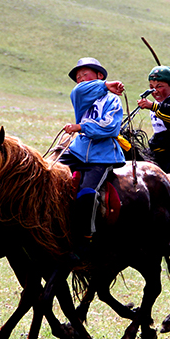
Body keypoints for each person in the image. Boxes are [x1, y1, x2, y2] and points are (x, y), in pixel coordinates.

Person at [59, 57, 125, 257]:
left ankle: (85, 239)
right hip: (78, 150)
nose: (80, 79)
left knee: (87, 193)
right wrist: (105, 85)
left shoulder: (113, 100)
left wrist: (81, 127)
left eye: (84, 75)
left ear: (99, 75)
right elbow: (79, 91)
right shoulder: (81, 97)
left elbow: (110, 126)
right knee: (46, 174)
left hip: (102, 155)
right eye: (77, 77)